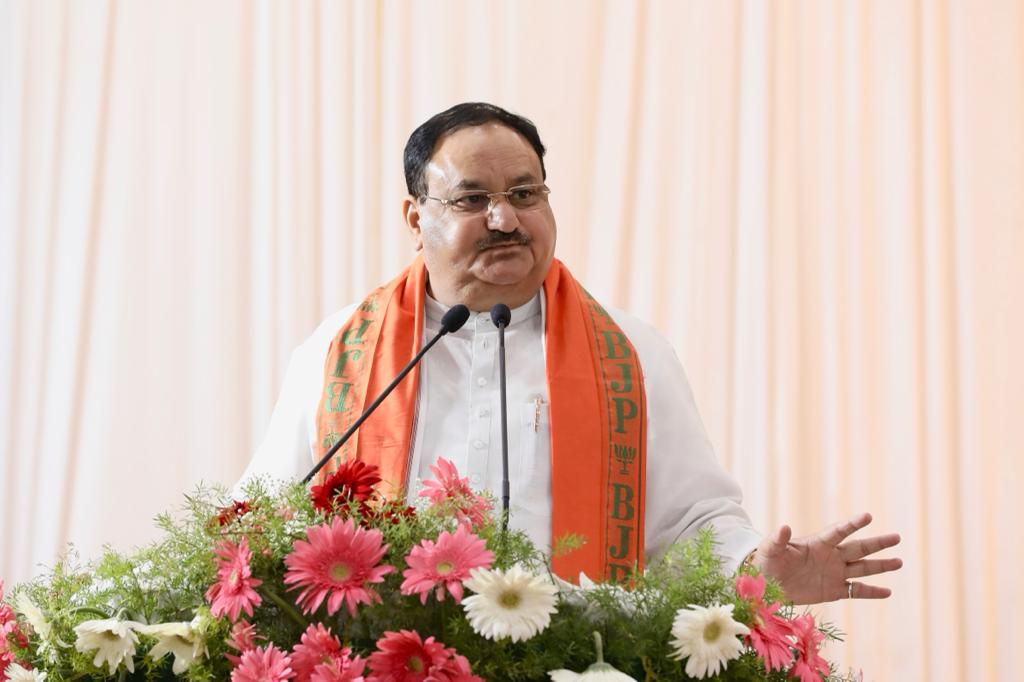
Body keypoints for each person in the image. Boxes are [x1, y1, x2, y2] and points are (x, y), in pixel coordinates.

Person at [238, 102, 901, 604]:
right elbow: (264, 514)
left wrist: (753, 570)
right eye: (474, 199)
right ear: (416, 218)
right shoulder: (338, 354)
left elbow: (692, 520)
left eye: (525, 194)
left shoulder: (632, 353)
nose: (505, 219)